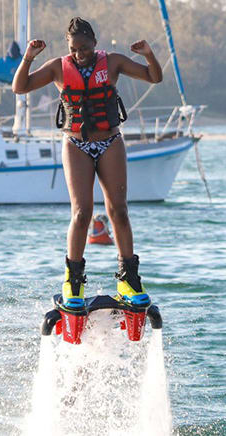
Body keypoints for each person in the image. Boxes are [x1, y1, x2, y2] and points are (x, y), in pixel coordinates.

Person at [12, 17, 162, 311]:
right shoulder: (58, 67)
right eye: (74, 49)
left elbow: (153, 77)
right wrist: (28, 58)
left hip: (110, 142)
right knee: (82, 213)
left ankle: (128, 279)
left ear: (95, 41)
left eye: (84, 48)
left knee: (118, 210)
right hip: (76, 144)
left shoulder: (114, 62)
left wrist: (147, 54)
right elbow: (21, 87)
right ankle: (74, 280)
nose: (79, 54)